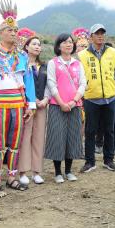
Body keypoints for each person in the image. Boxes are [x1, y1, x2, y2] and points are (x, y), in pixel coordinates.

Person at [0, 0, 36, 195]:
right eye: (9, 30)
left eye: (15, 30)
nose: (13, 33)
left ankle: (11, 176)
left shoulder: (22, 56)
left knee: (15, 141)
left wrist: (30, 105)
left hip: (18, 104)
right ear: (1, 32)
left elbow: (28, 82)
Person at [45, 33, 86, 183]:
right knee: (57, 137)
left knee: (73, 137)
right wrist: (61, 103)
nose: (68, 44)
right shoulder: (53, 63)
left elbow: (83, 84)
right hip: (57, 106)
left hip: (75, 106)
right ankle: (57, 172)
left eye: (70, 42)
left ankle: (68, 171)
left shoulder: (78, 64)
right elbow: (51, 83)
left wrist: (74, 101)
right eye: (65, 42)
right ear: (58, 46)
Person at [78, 24, 115, 173]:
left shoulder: (113, 52)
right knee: (90, 130)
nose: (100, 36)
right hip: (91, 98)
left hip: (109, 98)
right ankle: (90, 161)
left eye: (102, 33)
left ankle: (109, 160)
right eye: (97, 33)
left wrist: (113, 89)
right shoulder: (82, 55)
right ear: (91, 37)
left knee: (109, 130)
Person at [18, 29, 49, 185]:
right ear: (26, 46)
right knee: (25, 138)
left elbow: (50, 85)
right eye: (34, 44)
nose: (37, 47)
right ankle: (22, 171)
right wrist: (32, 100)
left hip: (42, 106)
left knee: (38, 138)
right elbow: (20, 84)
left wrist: (45, 99)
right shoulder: (21, 64)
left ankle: (36, 172)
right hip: (26, 106)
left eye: (39, 44)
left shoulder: (44, 66)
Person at [95, 42, 115, 153]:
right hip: (100, 97)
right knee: (100, 122)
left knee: (114, 121)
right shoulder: (98, 64)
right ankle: (98, 144)